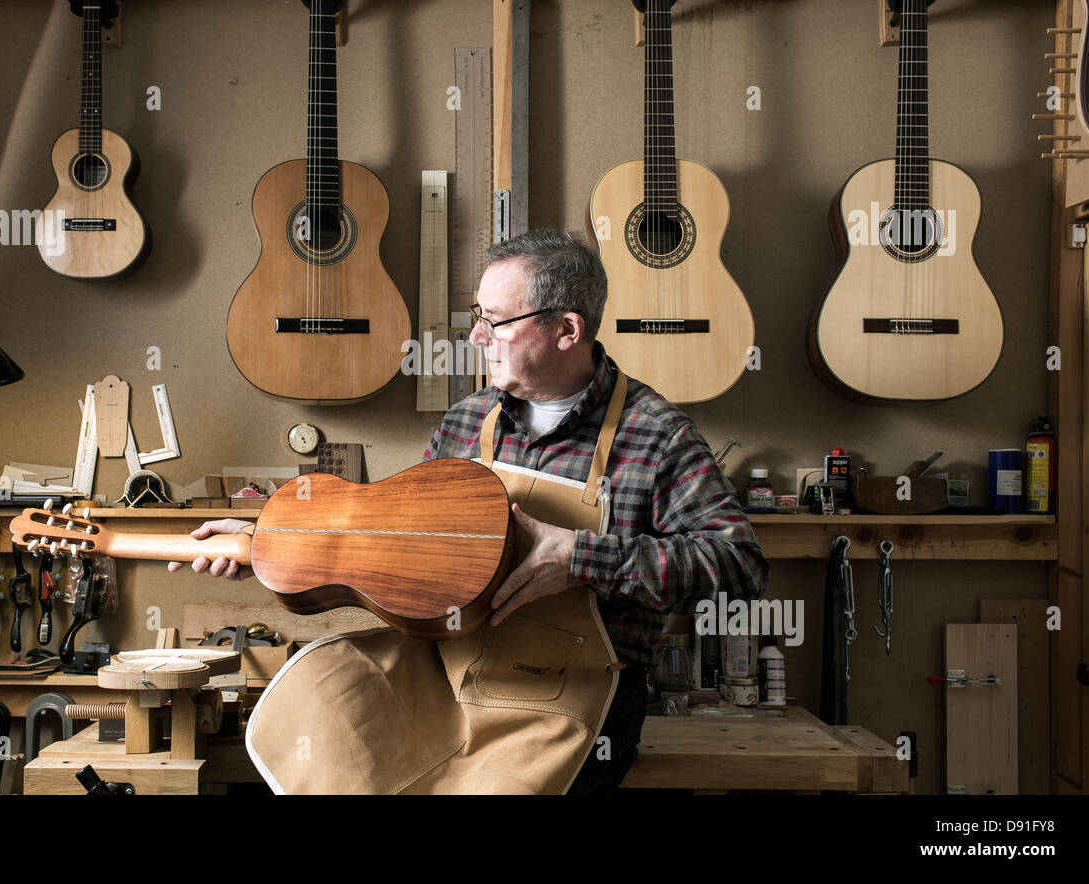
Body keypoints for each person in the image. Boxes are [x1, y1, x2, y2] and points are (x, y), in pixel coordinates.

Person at [170, 228, 768, 793]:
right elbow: (401, 538)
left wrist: (583, 556)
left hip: (567, 698)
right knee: (321, 720)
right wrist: (273, 541)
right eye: (478, 316)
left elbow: (738, 563)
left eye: (496, 321)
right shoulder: (466, 422)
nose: (477, 337)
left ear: (567, 329)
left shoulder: (657, 435)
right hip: (443, 672)